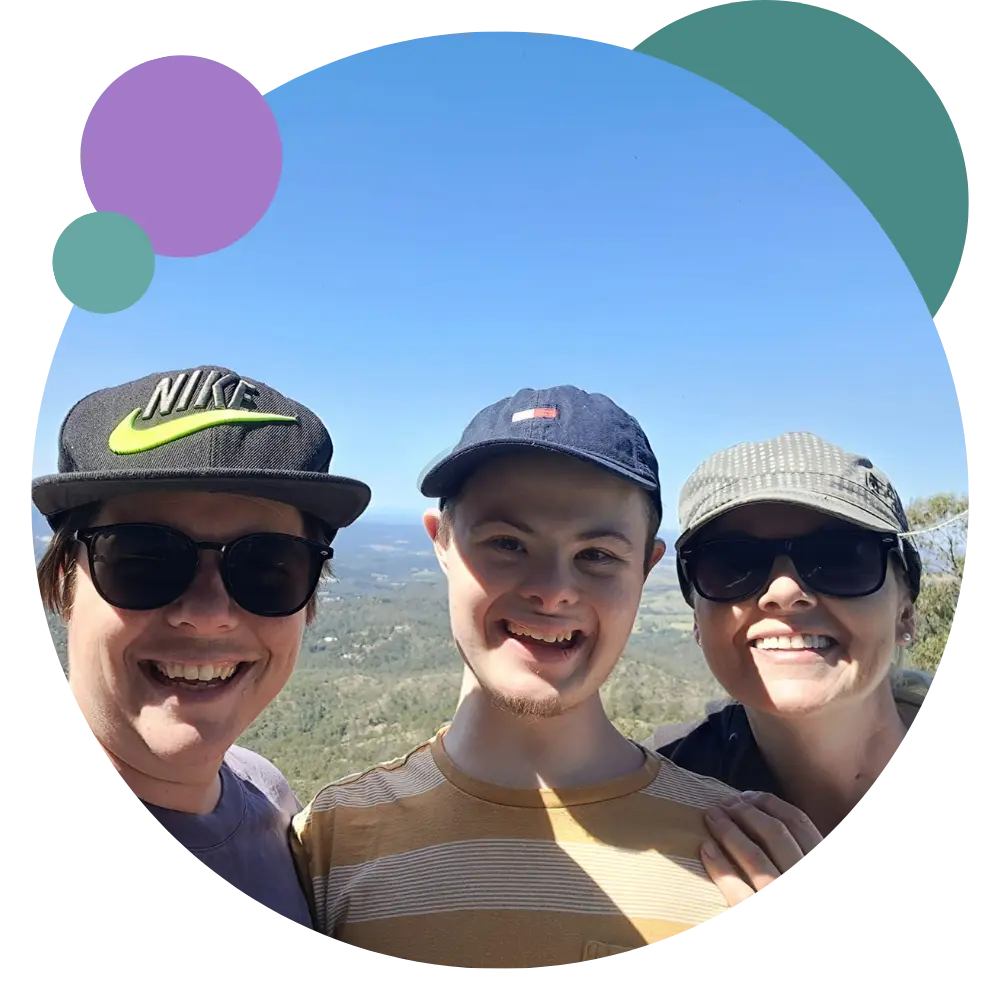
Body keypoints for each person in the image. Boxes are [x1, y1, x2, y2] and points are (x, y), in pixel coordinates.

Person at [290, 386, 820, 969]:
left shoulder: (744, 851)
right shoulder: (331, 837)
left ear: (647, 567)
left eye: (596, 555)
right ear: (441, 541)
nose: (552, 589)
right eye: (507, 543)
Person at [33, 365, 371, 933]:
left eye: (266, 567)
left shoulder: (265, 794)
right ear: (65, 580)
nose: (207, 614)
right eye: (144, 559)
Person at [644, 431, 934, 840]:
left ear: (904, 612)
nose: (784, 593)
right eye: (731, 564)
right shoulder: (655, 786)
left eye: (837, 558)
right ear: (697, 619)